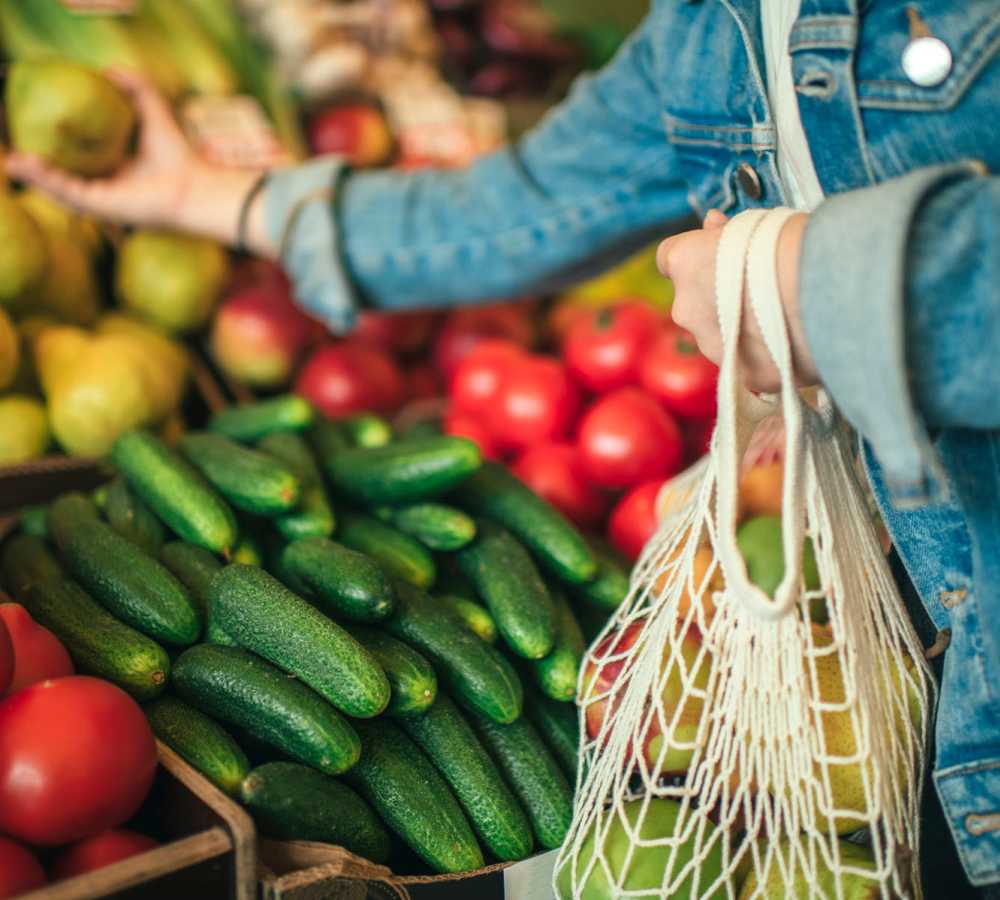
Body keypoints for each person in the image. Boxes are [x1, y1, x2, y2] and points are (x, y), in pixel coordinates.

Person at [7, 1, 999, 894]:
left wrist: (813, 287)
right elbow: (519, 205)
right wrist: (203, 197)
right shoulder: (710, 27)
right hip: (937, 677)